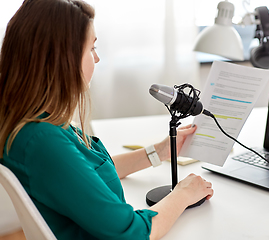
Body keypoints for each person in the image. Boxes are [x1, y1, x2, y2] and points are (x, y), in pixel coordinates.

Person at [0, 0, 214, 239]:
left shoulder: (32, 119)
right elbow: (132, 232)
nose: (97, 58)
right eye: (91, 48)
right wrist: (183, 194)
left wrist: (160, 151)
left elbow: (86, 175)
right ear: (64, 59)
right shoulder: (42, 141)